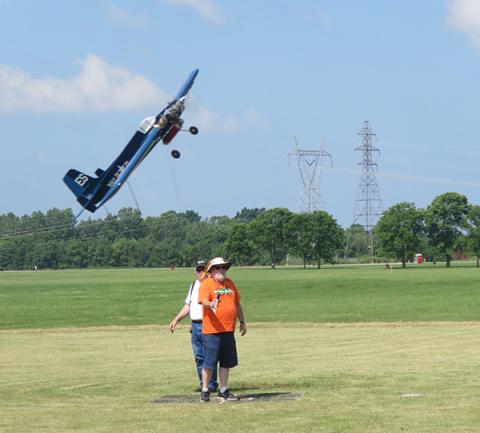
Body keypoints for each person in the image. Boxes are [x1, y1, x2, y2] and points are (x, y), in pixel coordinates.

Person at [198, 257, 247, 403]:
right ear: (211, 270)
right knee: (209, 362)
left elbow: (236, 303)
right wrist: (211, 304)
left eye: (223, 267)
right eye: (218, 267)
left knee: (226, 362)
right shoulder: (207, 284)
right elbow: (203, 301)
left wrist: (242, 321)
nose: (221, 270)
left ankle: (223, 389)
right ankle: (205, 390)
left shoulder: (230, 283)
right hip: (212, 330)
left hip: (228, 329)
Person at [168, 260, 218, 392]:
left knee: (209, 356)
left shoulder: (211, 285)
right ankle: (204, 384)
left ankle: (211, 385)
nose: (201, 273)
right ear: (195, 272)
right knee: (199, 357)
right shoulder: (193, 286)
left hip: (208, 324)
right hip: (195, 326)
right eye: (199, 270)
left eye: (204, 270)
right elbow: (188, 305)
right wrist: (176, 319)